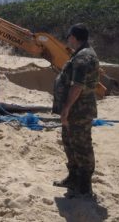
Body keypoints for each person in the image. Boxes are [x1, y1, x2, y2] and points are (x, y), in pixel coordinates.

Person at [52, 23, 99, 197]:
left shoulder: (83, 57)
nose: (68, 39)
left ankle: (85, 185)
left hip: (79, 111)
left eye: (69, 36)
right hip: (75, 110)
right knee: (69, 143)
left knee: (81, 145)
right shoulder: (80, 54)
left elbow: (77, 86)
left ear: (74, 36)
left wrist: (66, 109)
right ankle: (73, 178)